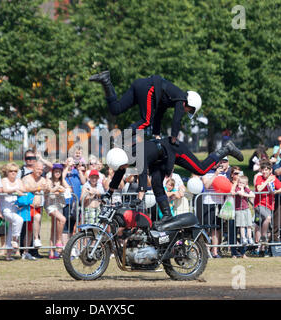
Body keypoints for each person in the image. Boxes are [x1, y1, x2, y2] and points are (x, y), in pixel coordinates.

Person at [103, 138, 244, 231]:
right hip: (160, 159)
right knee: (157, 183)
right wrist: (108, 194)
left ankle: (226, 149)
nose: (122, 169)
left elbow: (142, 176)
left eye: (122, 166)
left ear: (123, 160)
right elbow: (118, 174)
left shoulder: (138, 155)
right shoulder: (123, 157)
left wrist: (139, 199)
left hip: (173, 150)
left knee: (201, 169)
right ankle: (167, 215)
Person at [89, 71, 202, 143]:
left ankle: (106, 81)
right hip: (149, 88)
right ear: (190, 103)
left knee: (116, 109)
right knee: (147, 121)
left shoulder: (170, 99)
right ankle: (122, 137)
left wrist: (156, 134)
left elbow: (159, 114)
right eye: (190, 109)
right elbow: (176, 120)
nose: (186, 111)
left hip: (140, 84)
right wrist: (174, 138)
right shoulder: (181, 98)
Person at [254, 161, 281, 256]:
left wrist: (275, 192)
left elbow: (280, 187)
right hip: (259, 204)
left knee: (265, 225)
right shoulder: (259, 178)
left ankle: (262, 249)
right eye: (263, 169)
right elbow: (259, 189)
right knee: (268, 218)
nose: (264, 171)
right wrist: (267, 181)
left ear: (270, 171)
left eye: (267, 170)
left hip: (269, 205)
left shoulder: (274, 178)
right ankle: (263, 238)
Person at [0, 162, 25, 261]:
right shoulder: (4, 180)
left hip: (15, 208)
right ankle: (15, 240)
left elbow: (24, 189)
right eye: (11, 171)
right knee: (19, 220)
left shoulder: (18, 181)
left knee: (11, 229)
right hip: (6, 209)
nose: (13, 173)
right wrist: (16, 189)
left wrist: (17, 189)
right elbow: (5, 189)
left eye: (15, 171)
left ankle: (8, 255)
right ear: (7, 172)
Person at [23, 161, 49, 254]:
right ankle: (36, 239)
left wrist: (47, 187)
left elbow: (47, 189)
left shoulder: (42, 179)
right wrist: (38, 188)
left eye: (41, 169)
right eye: (38, 169)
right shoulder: (27, 178)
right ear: (33, 168)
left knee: (30, 230)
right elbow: (25, 189)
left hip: (38, 207)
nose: (40, 171)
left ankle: (26, 252)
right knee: (30, 228)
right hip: (28, 207)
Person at [45, 163, 68, 259]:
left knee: (53, 228)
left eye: (59, 171)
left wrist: (62, 188)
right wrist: (57, 188)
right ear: (53, 172)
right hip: (50, 205)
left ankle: (51, 252)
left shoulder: (62, 181)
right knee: (63, 219)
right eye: (56, 171)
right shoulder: (49, 180)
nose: (57, 173)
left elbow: (68, 189)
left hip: (59, 205)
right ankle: (59, 241)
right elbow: (49, 190)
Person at [232, 175, 255, 246]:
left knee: (249, 224)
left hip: (246, 208)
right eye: (240, 182)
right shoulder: (237, 189)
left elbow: (253, 195)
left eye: (242, 183)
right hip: (239, 209)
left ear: (246, 184)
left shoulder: (246, 189)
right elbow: (241, 194)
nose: (241, 184)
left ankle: (250, 238)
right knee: (242, 225)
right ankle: (243, 238)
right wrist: (244, 192)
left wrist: (246, 193)